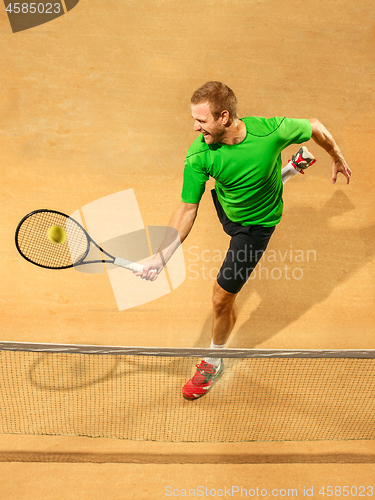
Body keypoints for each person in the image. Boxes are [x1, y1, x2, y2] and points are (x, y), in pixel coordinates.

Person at [135, 81, 352, 400]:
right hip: (228, 204)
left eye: (201, 121)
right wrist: (161, 256)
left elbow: (316, 126)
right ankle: (289, 169)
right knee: (247, 184)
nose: (195, 127)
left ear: (224, 117)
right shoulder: (200, 155)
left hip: (255, 225)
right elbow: (187, 207)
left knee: (222, 299)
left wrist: (335, 155)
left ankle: (212, 362)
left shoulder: (268, 133)